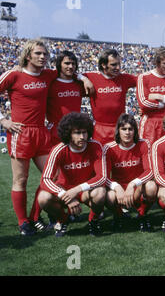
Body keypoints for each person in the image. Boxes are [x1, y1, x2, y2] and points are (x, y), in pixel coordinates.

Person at [0, 39, 90, 235]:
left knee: (52, 177)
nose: (42, 57)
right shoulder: (14, 75)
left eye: (45, 54)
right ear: (28, 55)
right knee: (21, 180)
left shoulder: (49, 75)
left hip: (42, 133)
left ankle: (38, 216)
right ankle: (24, 223)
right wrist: (3, 120)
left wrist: (84, 77)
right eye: (38, 54)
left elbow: (69, 70)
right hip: (20, 133)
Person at [28, 50, 85, 227]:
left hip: (74, 136)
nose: (70, 66)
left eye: (73, 63)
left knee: (66, 177)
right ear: (59, 64)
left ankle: (60, 213)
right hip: (55, 135)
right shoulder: (51, 83)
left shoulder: (79, 83)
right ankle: (34, 216)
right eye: (67, 63)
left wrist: (84, 77)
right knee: (51, 177)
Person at [38, 112, 107, 237]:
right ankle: (63, 219)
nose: (82, 137)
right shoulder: (58, 149)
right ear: (68, 134)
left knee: (100, 192)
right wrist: (65, 195)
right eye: (77, 133)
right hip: (65, 190)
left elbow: (102, 177)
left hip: (85, 191)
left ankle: (93, 221)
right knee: (43, 198)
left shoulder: (95, 146)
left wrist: (77, 190)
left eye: (84, 132)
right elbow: (45, 179)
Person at [103, 113, 157, 232]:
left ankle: (142, 215)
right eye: (124, 129)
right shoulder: (109, 148)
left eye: (130, 129)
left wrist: (133, 184)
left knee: (151, 186)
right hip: (120, 191)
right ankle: (118, 216)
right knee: (109, 196)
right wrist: (117, 187)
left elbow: (150, 171)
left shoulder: (144, 144)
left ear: (135, 131)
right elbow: (104, 176)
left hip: (137, 188)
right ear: (118, 130)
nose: (127, 132)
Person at [82, 49, 137, 145]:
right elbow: (71, 74)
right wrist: (83, 79)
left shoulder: (124, 78)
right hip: (100, 130)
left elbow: (144, 79)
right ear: (103, 65)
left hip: (120, 128)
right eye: (114, 65)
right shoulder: (92, 77)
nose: (118, 67)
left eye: (119, 64)